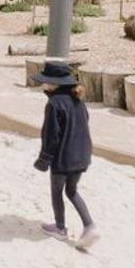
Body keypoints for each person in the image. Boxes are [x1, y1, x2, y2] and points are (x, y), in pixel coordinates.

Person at [32, 62, 98, 250]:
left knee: (57, 191)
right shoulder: (77, 100)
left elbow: (51, 136)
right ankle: (89, 225)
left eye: (46, 81)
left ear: (54, 84)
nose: (43, 84)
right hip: (82, 154)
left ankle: (60, 228)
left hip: (63, 157)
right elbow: (85, 123)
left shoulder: (54, 104)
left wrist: (44, 159)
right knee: (72, 190)